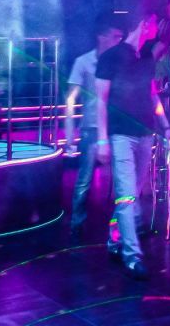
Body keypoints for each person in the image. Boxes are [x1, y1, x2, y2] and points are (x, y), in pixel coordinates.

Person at [95, 16, 170, 278]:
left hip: (145, 135)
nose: (156, 29)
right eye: (153, 23)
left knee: (132, 194)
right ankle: (132, 256)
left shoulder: (146, 59)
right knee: (127, 196)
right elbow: (100, 101)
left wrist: (166, 127)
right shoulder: (110, 57)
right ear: (141, 24)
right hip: (120, 135)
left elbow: (153, 96)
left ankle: (114, 237)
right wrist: (102, 139)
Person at [64, 14, 126, 241]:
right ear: (102, 37)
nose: (119, 41)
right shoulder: (83, 62)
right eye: (115, 36)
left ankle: (118, 226)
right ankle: (76, 225)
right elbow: (70, 98)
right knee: (84, 179)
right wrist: (69, 136)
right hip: (91, 128)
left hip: (115, 127)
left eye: (121, 37)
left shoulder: (120, 62)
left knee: (120, 180)